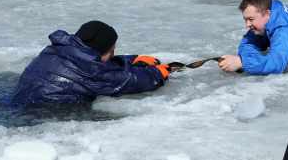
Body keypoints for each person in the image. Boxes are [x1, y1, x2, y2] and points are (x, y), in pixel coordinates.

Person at [10, 20, 170, 106]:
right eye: (112, 50)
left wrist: (131, 59)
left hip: (19, 100)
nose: (114, 53)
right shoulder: (92, 71)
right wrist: (157, 73)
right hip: (48, 116)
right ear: (103, 50)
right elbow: (128, 81)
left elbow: (97, 66)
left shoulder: (56, 50)